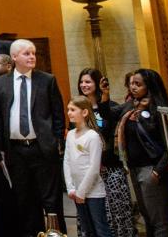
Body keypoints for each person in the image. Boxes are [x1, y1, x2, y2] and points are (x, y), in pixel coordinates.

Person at [0, 39, 66, 237]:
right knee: (24, 200)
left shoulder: (47, 80)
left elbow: (58, 115)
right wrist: (1, 149)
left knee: (51, 200)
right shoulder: (0, 83)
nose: (32, 56)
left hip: (42, 148)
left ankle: (56, 234)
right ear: (14, 57)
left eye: (33, 53)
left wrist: (57, 143)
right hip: (15, 150)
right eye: (26, 53)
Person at [117, 68, 168, 237]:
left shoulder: (160, 109)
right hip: (135, 170)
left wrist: (157, 172)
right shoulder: (132, 106)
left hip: (152, 170)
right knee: (148, 221)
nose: (133, 87)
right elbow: (109, 113)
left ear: (149, 86)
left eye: (138, 84)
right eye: (131, 84)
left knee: (161, 224)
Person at [77, 68, 135, 237]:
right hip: (88, 171)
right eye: (81, 82)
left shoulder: (112, 107)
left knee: (116, 212)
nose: (84, 85)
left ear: (97, 84)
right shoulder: (77, 108)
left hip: (110, 168)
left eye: (88, 81)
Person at [64, 96, 110, 237]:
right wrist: (71, 187)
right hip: (77, 192)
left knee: (101, 230)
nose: (69, 113)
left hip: (93, 192)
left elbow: (94, 168)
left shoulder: (92, 136)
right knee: (87, 231)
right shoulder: (71, 134)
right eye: (68, 110)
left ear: (84, 112)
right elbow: (67, 161)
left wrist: (82, 192)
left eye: (73, 110)